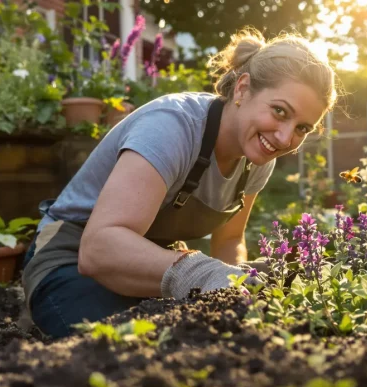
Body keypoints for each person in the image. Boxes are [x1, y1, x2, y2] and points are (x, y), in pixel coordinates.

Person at [21, 28, 340, 339]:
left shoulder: (256, 156)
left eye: (302, 128)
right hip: (70, 259)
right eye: (279, 111)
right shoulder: (172, 128)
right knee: (134, 350)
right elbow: (97, 251)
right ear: (242, 89)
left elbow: (229, 241)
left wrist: (236, 297)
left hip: (147, 271)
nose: (285, 138)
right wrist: (200, 273)